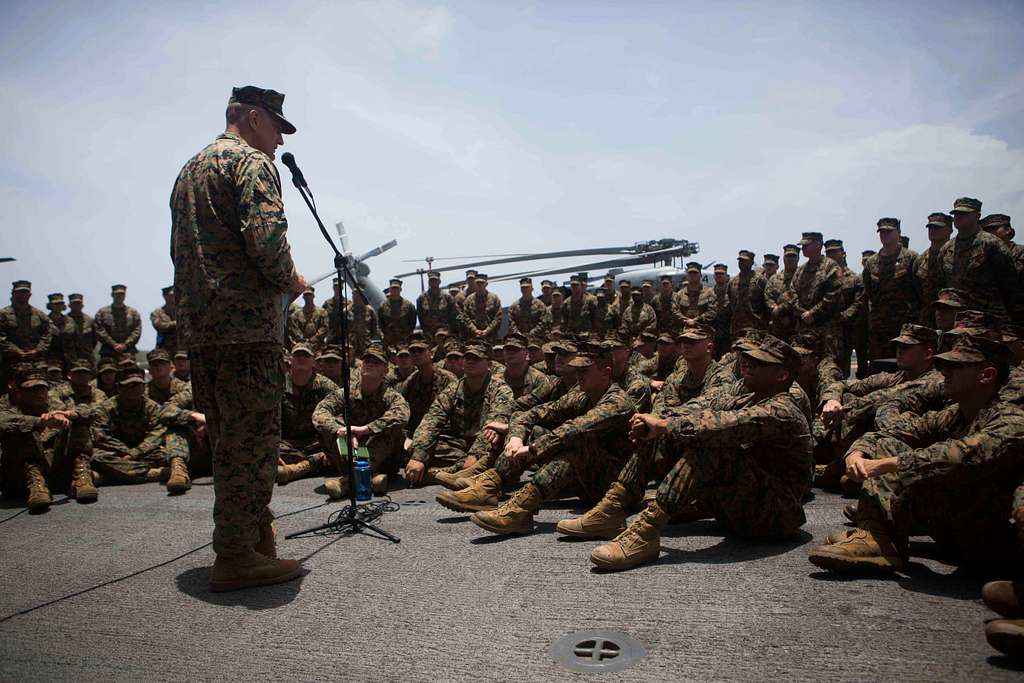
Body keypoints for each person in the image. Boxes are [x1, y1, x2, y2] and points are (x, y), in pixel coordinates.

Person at [170, 84, 306, 592]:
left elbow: (180, 255)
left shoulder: (190, 170)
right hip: (248, 333)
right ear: (252, 118)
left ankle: (253, 539)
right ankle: (236, 555)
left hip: (205, 336)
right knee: (251, 448)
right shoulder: (250, 163)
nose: (278, 141)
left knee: (230, 442)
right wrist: (291, 280)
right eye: (276, 127)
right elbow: (267, 240)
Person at [808, 329, 1024, 574]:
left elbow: (964, 454)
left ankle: (881, 534)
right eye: (945, 365)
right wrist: (856, 455)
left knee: (898, 457)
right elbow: (893, 433)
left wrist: (886, 464)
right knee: (888, 443)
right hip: (962, 525)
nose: (945, 373)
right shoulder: (955, 414)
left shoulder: (1013, 416)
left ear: (987, 375)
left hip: (998, 537)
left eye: (956, 367)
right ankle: (875, 534)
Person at [589, 335, 812, 571]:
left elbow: (726, 424)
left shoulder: (785, 408)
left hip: (775, 517)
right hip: (744, 505)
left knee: (709, 443)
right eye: (749, 360)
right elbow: (704, 405)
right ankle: (613, 508)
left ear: (782, 375)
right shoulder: (746, 393)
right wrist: (657, 422)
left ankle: (646, 532)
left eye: (760, 363)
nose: (749, 364)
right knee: (671, 431)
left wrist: (665, 426)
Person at [438, 342, 635, 534]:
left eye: (585, 371)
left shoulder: (617, 402)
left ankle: (520, 509)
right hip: (585, 480)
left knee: (572, 446)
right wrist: (515, 437)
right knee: (532, 431)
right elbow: (532, 413)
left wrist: (532, 449)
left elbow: (574, 430)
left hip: (613, 487)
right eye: (578, 370)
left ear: (606, 373)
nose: (579, 375)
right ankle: (488, 488)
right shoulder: (581, 395)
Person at [407, 340, 514, 489]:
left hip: (486, 446)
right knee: (418, 446)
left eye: (476, 359)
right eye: (467, 358)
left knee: (499, 450)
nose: (470, 362)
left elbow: (494, 425)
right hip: (460, 445)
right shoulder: (454, 389)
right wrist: (418, 457)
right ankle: (456, 471)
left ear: (489, 365)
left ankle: (439, 474)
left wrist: (475, 454)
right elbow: (432, 420)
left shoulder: (500, 389)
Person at [312, 343, 409, 496]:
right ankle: (370, 479)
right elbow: (320, 412)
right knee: (326, 428)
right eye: (367, 361)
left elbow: (402, 414)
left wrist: (365, 429)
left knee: (395, 428)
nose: (370, 364)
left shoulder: (391, 396)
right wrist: (341, 431)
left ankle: (348, 482)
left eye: (376, 362)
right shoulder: (346, 393)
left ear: (385, 371)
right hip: (353, 451)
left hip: (384, 457)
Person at [90, 366, 202, 494]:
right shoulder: (105, 409)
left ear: (144, 387)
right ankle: (157, 474)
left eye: (138, 385)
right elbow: (101, 436)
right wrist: (126, 452)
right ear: (119, 387)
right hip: (117, 453)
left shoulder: (152, 407)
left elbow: (157, 433)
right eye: (130, 385)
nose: (135, 389)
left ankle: (111, 477)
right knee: (96, 456)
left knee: (168, 454)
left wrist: (135, 453)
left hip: (144, 453)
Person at [0, 363, 95, 511]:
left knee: (79, 422)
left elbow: (89, 411)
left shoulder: (57, 408)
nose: (39, 393)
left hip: (57, 472)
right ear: (19, 392)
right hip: (21, 480)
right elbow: (3, 422)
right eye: (32, 389)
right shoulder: (10, 411)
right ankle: (36, 485)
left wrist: (70, 414)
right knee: (20, 430)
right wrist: (40, 422)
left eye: (42, 388)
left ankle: (81, 478)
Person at [937, 197, 1020, 324]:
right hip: (957, 321)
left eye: (964, 213)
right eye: (956, 214)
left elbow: (1010, 285)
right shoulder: (946, 249)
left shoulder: (992, 244)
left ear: (977, 215)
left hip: (989, 320)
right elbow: (942, 283)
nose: (958, 217)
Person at [862, 218, 921, 372]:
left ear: (899, 233)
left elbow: (920, 291)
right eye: (882, 232)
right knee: (879, 369)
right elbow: (868, 292)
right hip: (879, 329)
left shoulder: (911, 258)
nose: (885, 235)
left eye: (889, 231)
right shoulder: (872, 262)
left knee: (905, 369)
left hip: (905, 327)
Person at [276, 343, 338, 485]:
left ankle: (296, 469)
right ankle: (315, 464)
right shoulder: (278, 385)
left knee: (340, 448)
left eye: (306, 356)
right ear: (289, 360)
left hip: (316, 443)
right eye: (297, 355)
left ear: (313, 361)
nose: (301, 358)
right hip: (287, 444)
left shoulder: (326, 386)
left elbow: (341, 414)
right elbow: (267, 421)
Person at [0, 280, 53, 391]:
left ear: (30, 295)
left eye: (25, 292)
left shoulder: (39, 315)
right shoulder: (3, 314)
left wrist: (37, 350)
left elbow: (48, 334)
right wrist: (16, 351)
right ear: (13, 294)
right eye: (19, 292)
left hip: (36, 362)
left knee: (39, 391)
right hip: (11, 362)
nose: (22, 295)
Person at [95, 284, 142, 361]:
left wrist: (125, 345)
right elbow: (100, 331)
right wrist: (113, 344)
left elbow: (137, 331)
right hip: (108, 352)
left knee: (131, 373)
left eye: (122, 294)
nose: (119, 296)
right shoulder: (102, 312)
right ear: (112, 295)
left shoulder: (133, 313)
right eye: (117, 294)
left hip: (128, 352)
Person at [416, 271, 458, 340]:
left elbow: (455, 315)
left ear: (439, 281)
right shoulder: (421, 298)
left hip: (445, 333)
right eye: (431, 280)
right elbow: (420, 316)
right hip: (428, 334)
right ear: (429, 282)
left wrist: (453, 332)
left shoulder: (447, 297)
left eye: (435, 280)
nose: (433, 282)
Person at [378, 279, 417, 349]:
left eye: (397, 288)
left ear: (400, 290)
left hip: (405, 342)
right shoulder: (383, 306)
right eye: (393, 288)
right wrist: (383, 335)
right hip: (388, 342)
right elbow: (380, 323)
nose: (395, 290)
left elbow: (412, 323)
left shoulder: (409, 305)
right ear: (390, 289)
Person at [287, 286, 327, 352]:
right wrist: (304, 341)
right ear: (303, 297)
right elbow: (294, 329)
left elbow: (324, 329)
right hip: (301, 346)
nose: (308, 297)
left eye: (309, 295)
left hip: (318, 346)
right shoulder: (296, 314)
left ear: (313, 296)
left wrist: (312, 340)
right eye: (306, 295)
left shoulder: (322, 313)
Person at [62, 293, 96, 368]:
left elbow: (94, 340)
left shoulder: (90, 320)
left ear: (82, 305)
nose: (76, 305)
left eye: (78, 303)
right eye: (74, 303)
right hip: (69, 359)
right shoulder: (63, 320)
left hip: (87, 359)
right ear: (69, 305)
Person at [151, 285, 179, 353]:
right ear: (164, 296)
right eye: (170, 295)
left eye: (174, 294)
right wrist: (175, 323)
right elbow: (160, 326)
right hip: (165, 348)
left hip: (181, 349)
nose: (173, 297)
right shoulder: (157, 313)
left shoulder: (181, 311)